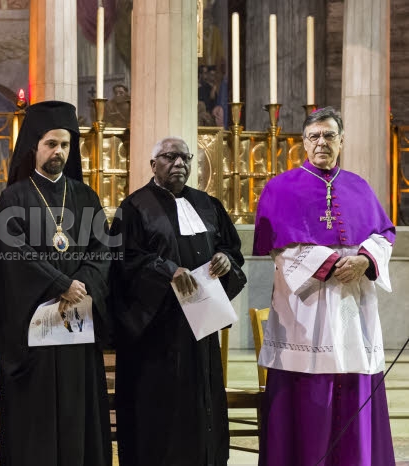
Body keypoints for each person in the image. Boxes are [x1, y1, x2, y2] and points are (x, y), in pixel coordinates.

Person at [253, 106, 397, 466]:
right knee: (307, 391)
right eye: (314, 136)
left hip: (353, 303)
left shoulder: (359, 186)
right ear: (303, 142)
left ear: (341, 141)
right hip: (307, 308)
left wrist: (366, 260)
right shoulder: (280, 188)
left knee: (354, 377)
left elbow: (384, 235)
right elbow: (279, 250)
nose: (321, 143)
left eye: (329, 136)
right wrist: (331, 263)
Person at [109, 136, 247, 466]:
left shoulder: (208, 205)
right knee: (160, 415)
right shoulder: (134, 207)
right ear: (153, 164)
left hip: (200, 331)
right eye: (171, 157)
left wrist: (226, 260)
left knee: (202, 408)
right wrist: (166, 270)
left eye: (186, 157)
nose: (180, 163)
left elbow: (231, 249)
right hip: (155, 334)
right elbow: (122, 262)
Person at [0, 100, 113, 466]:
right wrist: (61, 282)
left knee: (78, 407)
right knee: (38, 414)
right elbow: (14, 255)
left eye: (64, 144)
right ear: (35, 146)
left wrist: (83, 284)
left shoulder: (85, 196)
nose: (58, 151)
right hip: (36, 330)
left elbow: (103, 251)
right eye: (50, 144)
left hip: (77, 328)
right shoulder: (15, 196)